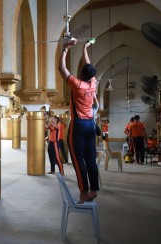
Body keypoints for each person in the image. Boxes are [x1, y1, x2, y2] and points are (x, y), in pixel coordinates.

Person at [58, 39, 99, 203]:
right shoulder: (92, 83)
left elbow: (62, 68)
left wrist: (65, 49)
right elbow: (89, 66)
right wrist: (84, 48)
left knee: (77, 159)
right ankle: (94, 189)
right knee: (90, 159)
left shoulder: (78, 85)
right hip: (90, 125)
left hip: (79, 125)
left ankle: (84, 192)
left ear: (82, 74)